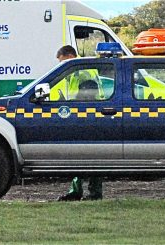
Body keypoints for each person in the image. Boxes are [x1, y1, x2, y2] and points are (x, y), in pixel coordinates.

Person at [54, 45, 103, 201]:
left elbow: (89, 93)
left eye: (63, 61)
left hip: (88, 116)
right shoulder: (74, 72)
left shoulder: (84, 72)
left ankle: (94, 193)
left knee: (92, 158)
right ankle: (76, 191)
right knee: (77, 157)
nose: (62, 65)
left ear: (70, 56)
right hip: (78, 115)